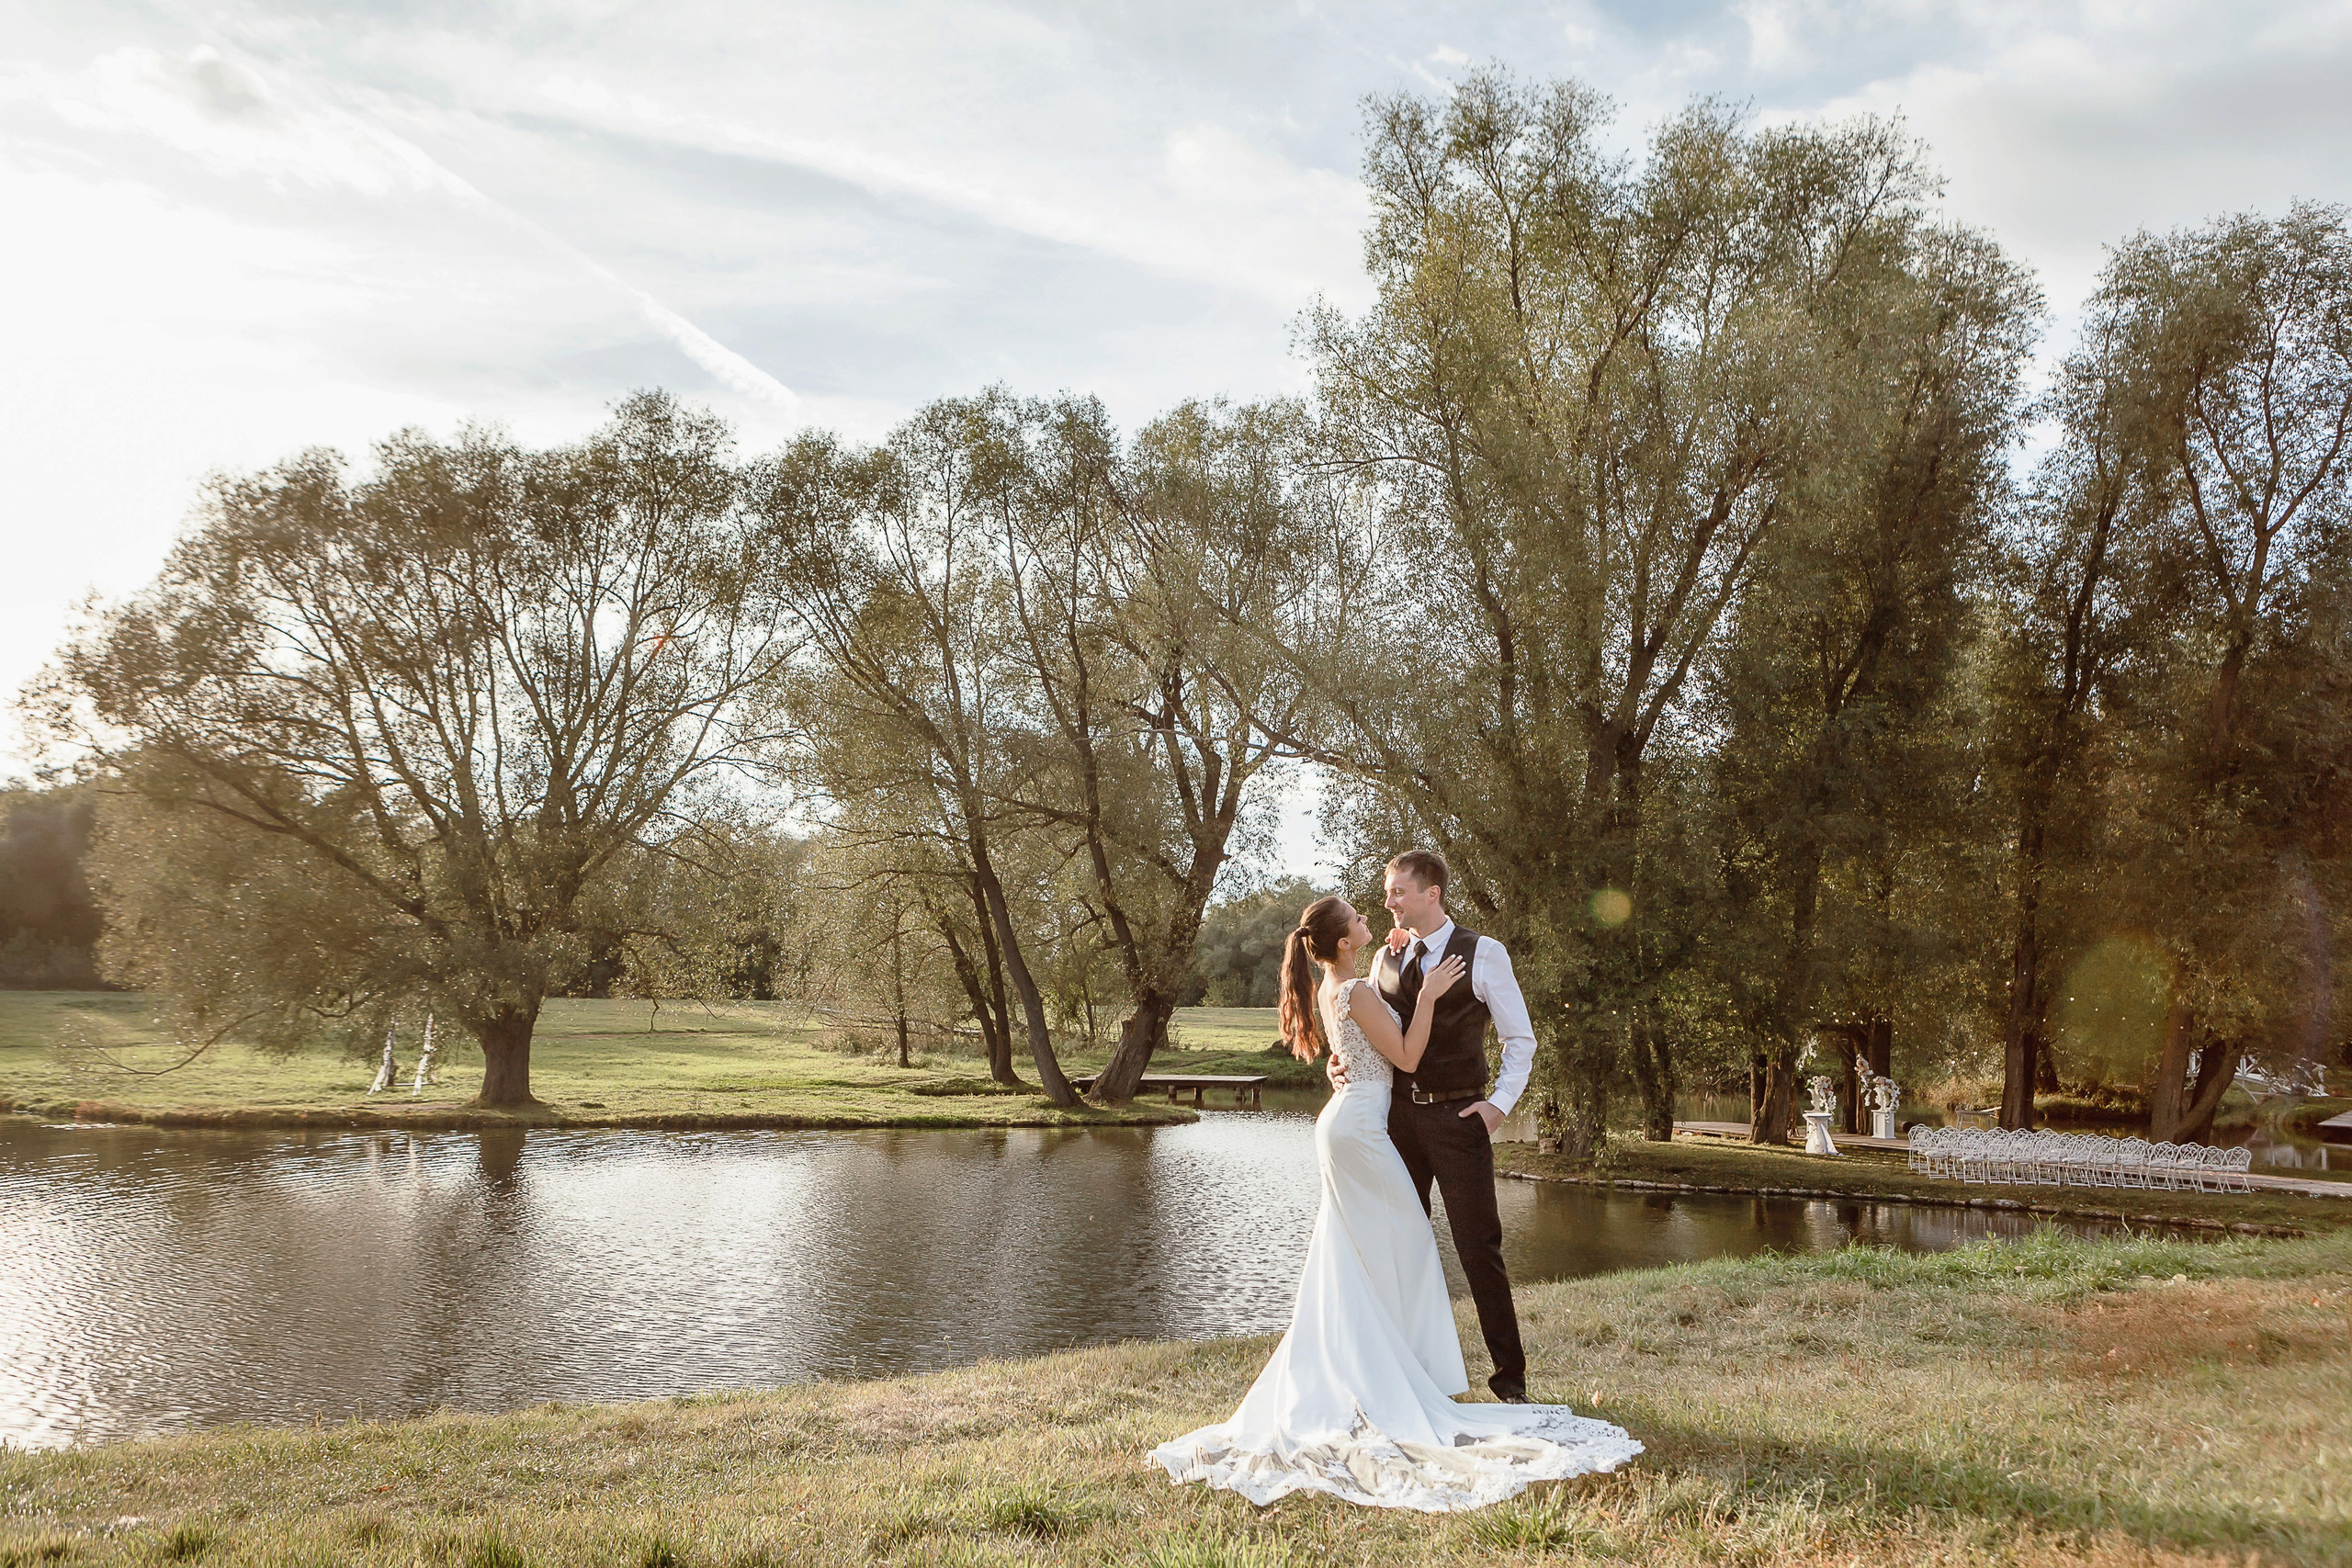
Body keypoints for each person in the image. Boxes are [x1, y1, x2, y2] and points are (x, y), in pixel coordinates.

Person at [1148, 895, 1640, 1512]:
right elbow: (1405, 1055)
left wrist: (1398, 959)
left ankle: (1385, 1376)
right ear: (1344, 939)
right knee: (1407, 1245)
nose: (1366, 919)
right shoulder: (1352, 990)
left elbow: (1364, 1044)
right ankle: (1396, 1383)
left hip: (1349, 1123)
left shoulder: (1340, 984)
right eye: (1357, 917)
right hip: (1358, 1128)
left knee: (1359, 1258)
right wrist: (1430, 992)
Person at [1351, 848, 1537, 1400]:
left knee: (1479, 1248)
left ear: (1431, 894)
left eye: (1398, 892)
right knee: (1395, 1244)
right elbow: (1374, 1035)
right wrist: (1344, 1062)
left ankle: (1510, 1382)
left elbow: (1519, 1039)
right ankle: (1403, 1377)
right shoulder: (1384, 958)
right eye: (1388, 893)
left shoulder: (1483, 953)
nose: (1389, 903)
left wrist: (1499, 1105)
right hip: (1395, 1122)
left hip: (1458, 1119)